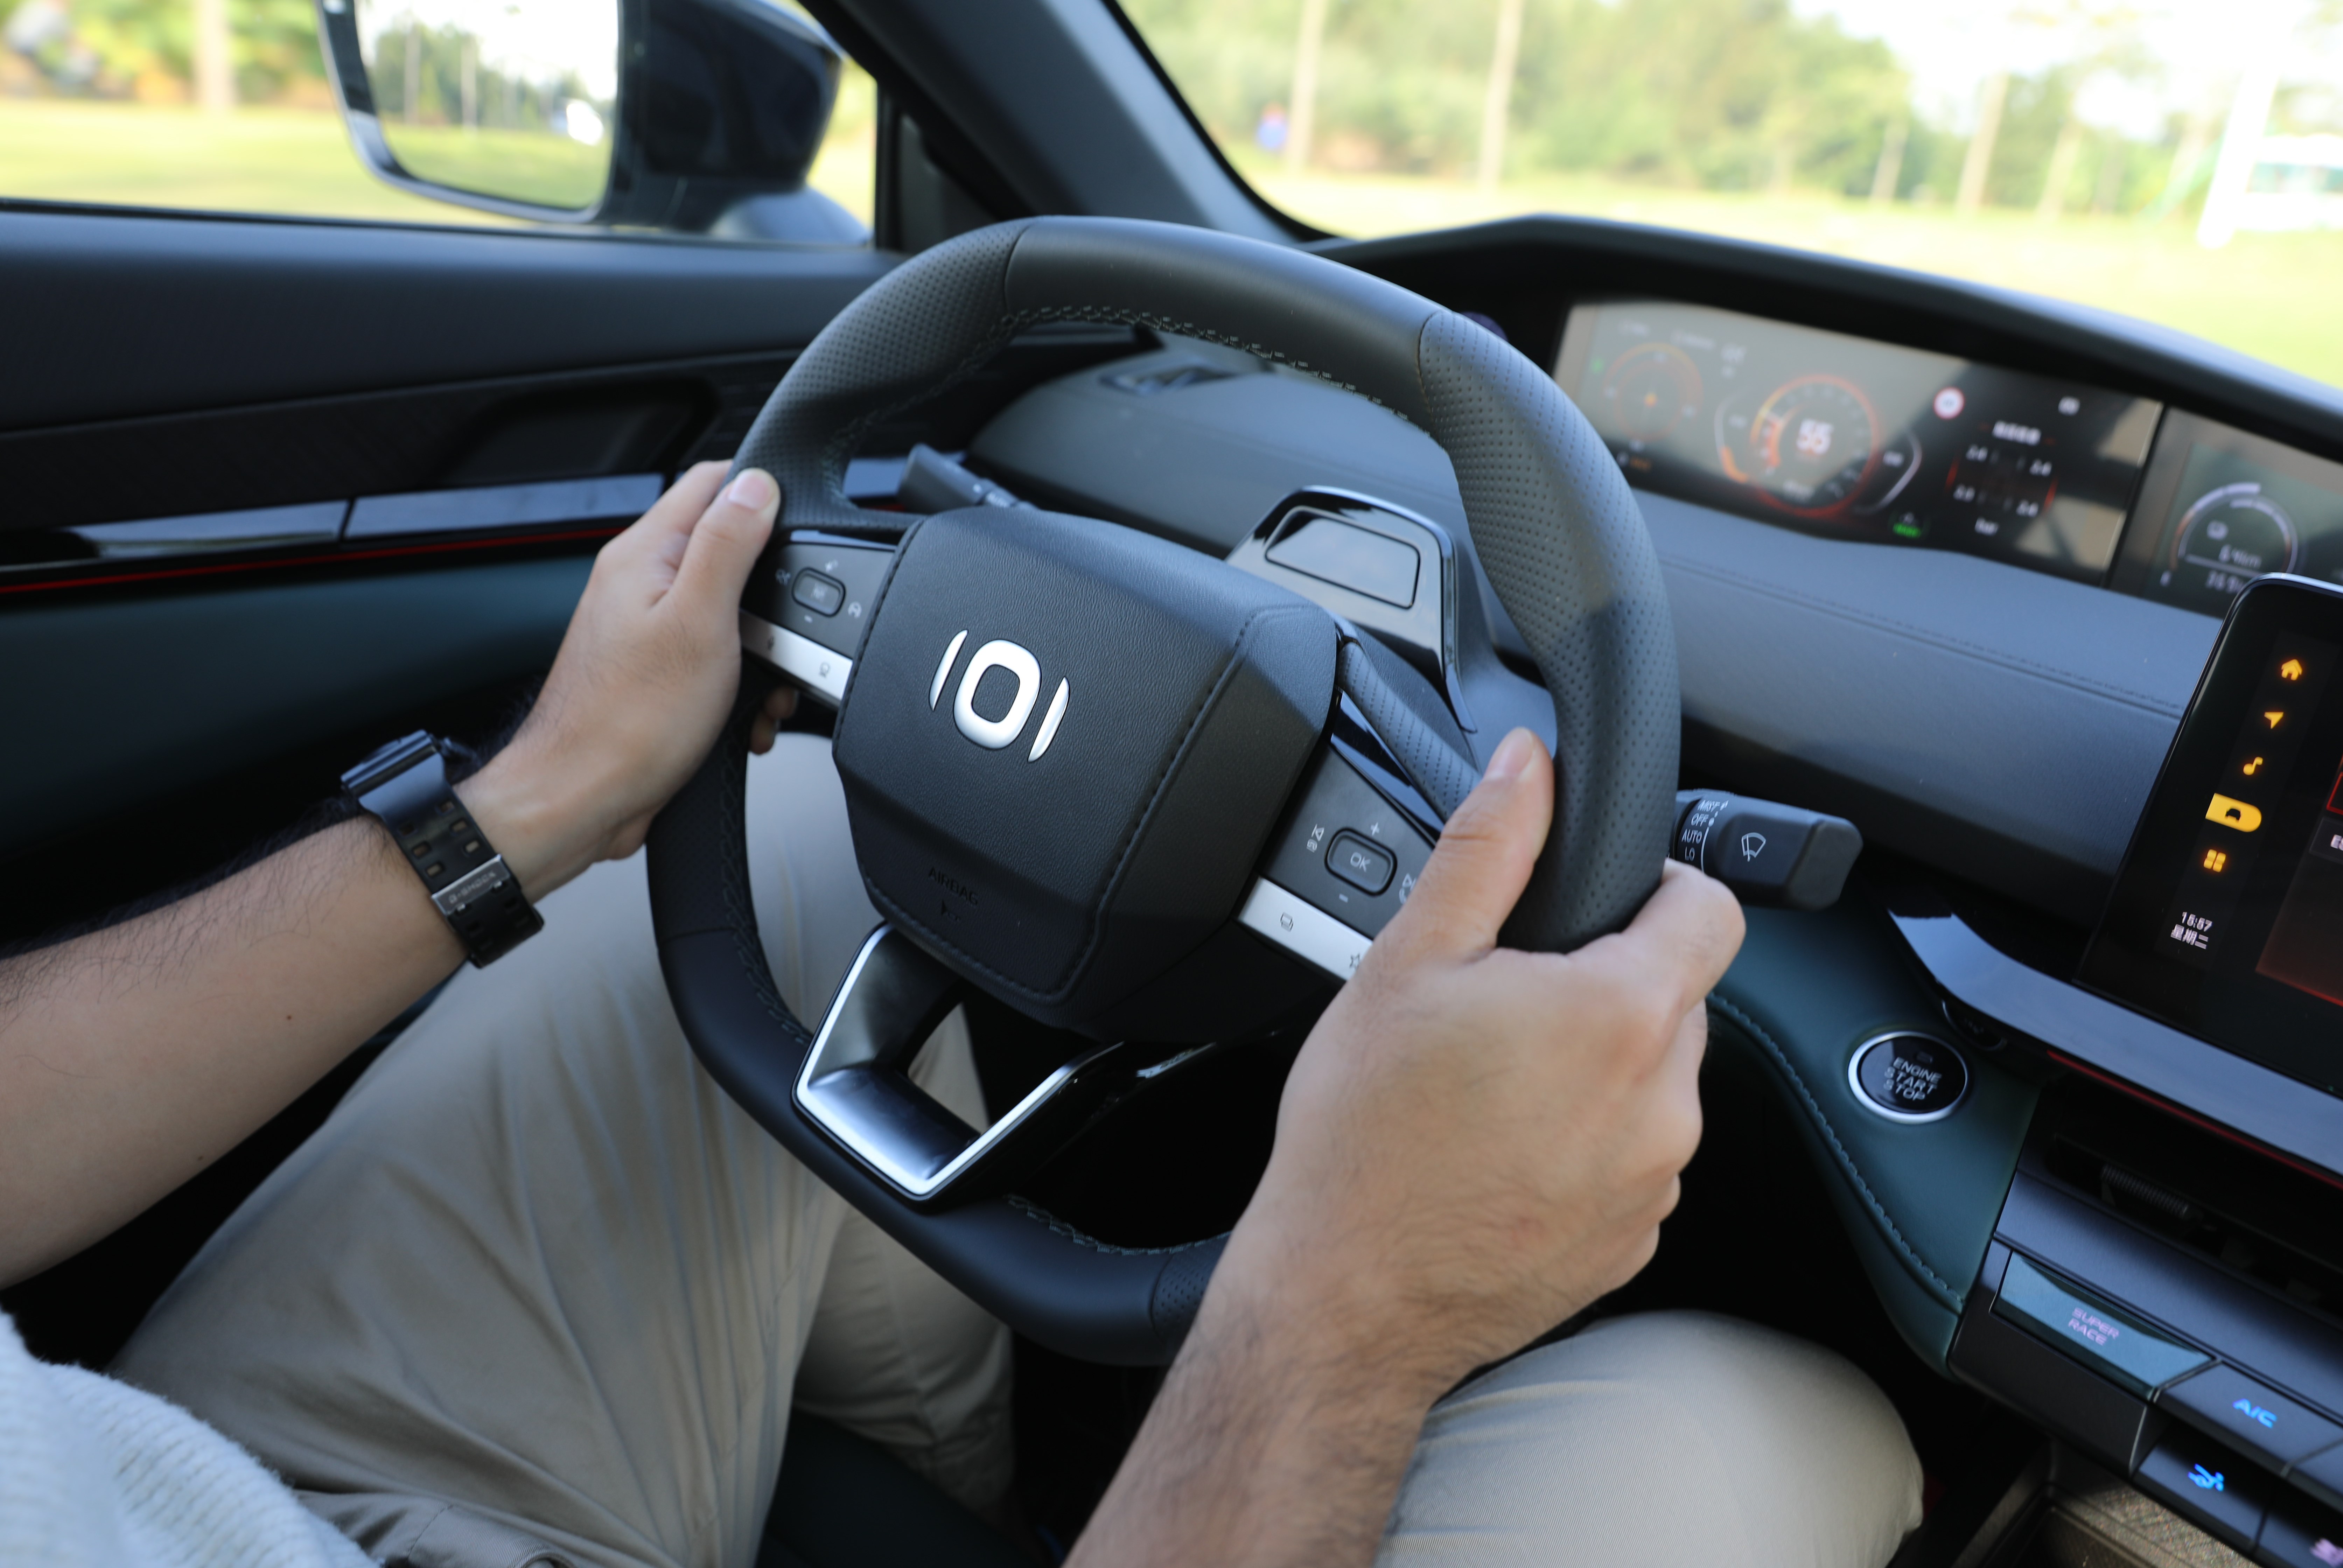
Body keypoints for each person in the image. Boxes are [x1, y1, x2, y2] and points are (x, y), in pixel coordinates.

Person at [0, 464, 1924, 1568]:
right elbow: (1348, 1294)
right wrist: (1347, 1308)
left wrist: (539, 800)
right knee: (1768, 1427)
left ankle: (986, 1491)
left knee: (784, 820)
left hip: (194, 1499)